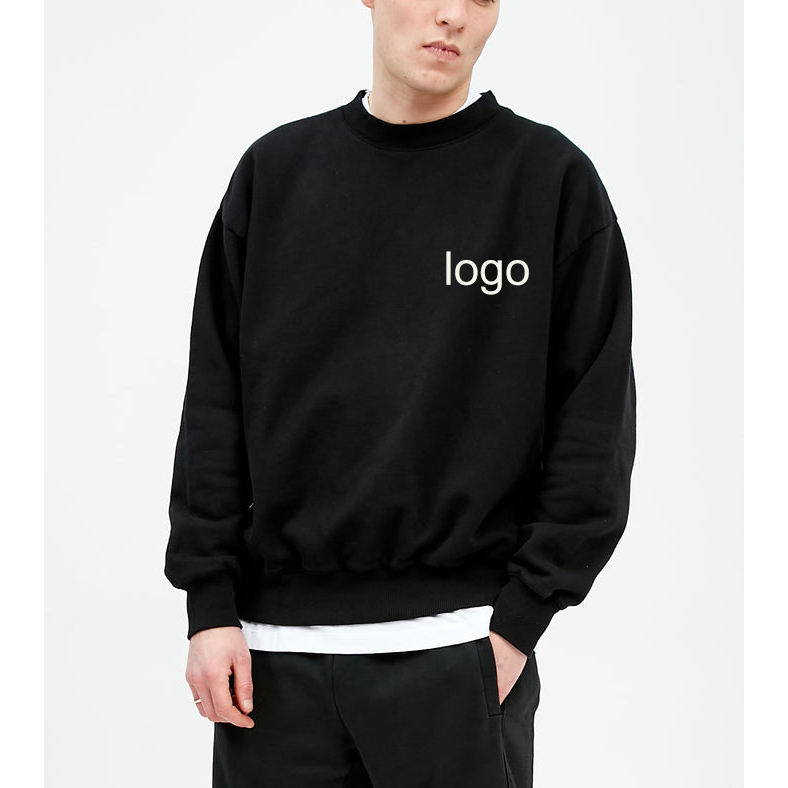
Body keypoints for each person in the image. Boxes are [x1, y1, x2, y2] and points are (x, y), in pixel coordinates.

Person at [164, 1, 637, 786]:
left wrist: (518, 623)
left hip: (458, 652)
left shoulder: (548, 181)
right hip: (273, 665)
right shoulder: (275, 175)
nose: (452, 16)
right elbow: (215, 403)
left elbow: (595, 423)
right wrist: (209, 606)